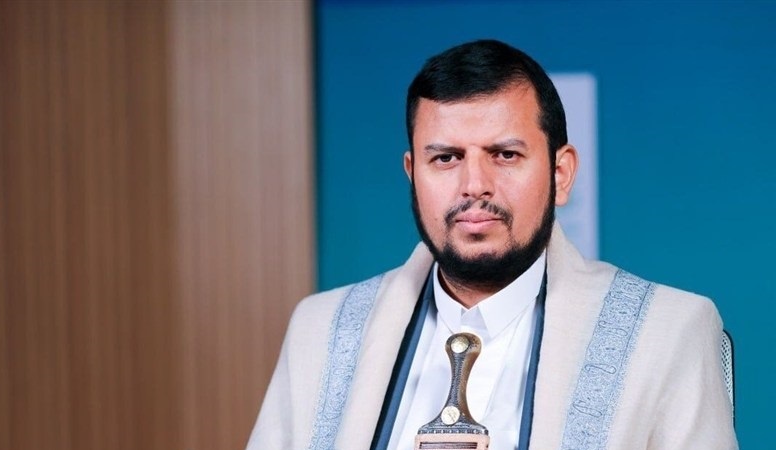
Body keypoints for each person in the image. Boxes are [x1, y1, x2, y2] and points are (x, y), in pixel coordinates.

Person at [247, 39, 737, 450]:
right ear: (412, 174)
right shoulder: (321, 330)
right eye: (445, 158)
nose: (474, 185)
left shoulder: (667, 331)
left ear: (561, 173)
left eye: (504, 155)